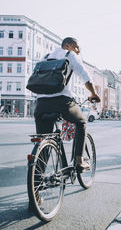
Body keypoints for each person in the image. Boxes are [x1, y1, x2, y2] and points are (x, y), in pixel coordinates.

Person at [34, 37, 100, 170]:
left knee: (44, 140)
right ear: (68, 46)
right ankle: (79, 160)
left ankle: (37, 179)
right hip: (61, 102)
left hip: (41, 104)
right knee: (81, 122)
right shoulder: (70, 55)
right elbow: (86, 78)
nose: (78, 51)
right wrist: (94, 94)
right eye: (77, 47)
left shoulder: (45, 57)